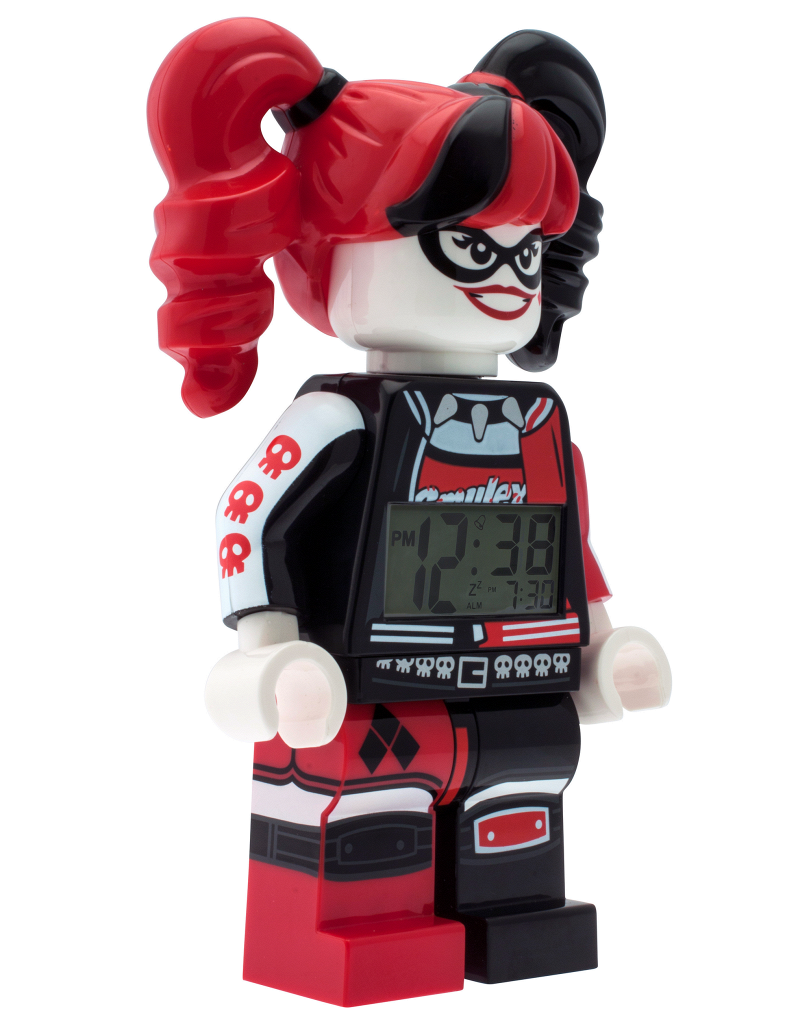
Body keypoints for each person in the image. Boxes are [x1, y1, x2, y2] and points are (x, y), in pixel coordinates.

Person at [149, 18, 671, 1006]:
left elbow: (566, 541)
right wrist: (269, 647)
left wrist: (601, 642)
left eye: (525, 250)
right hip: (368, 692)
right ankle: (362, 925)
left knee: (522, 789)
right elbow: (249, 515)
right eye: (467, 246)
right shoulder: (338, 416)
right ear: (327, 253)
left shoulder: (536, 426)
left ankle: (510, 909)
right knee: (363, 808)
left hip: (519, 686)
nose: (506, 276)